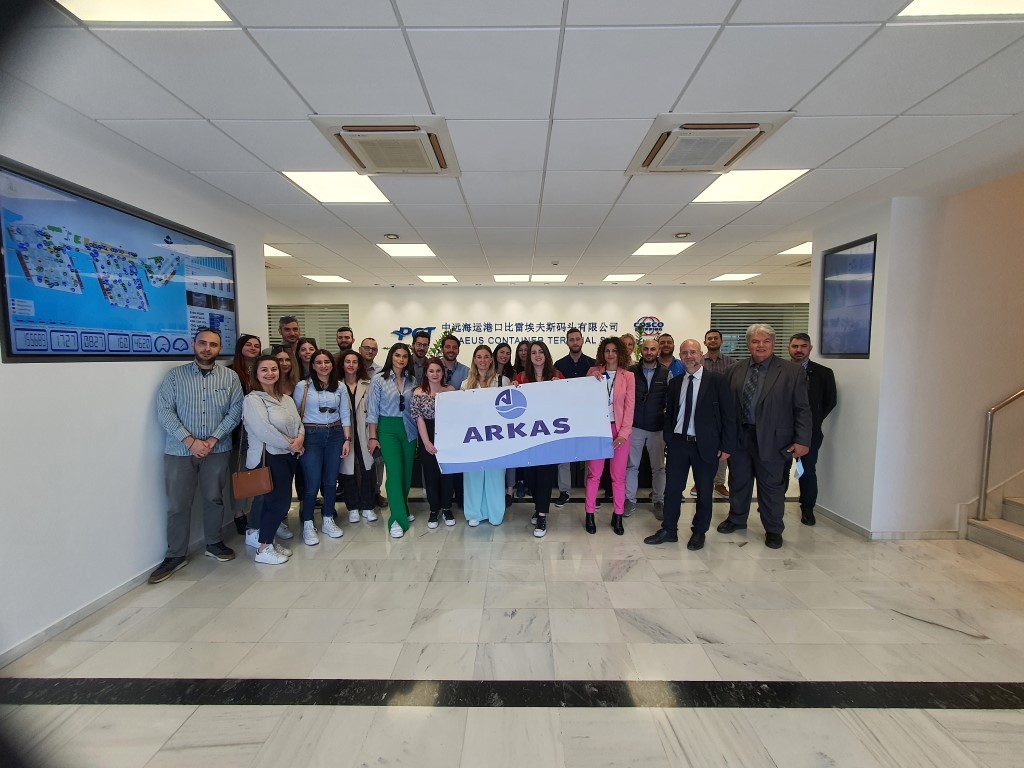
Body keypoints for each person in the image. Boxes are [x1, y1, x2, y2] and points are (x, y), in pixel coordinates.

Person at [150, 328, 243, 583]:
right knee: (178, 504)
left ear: (219, 348)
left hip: (217, 449)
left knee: (214, 498)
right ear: (194, 345)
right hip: (180, 451)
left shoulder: (230, 377)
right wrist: (189, 441)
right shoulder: (174, 377)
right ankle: (175, 554)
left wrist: (213, 439)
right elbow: (165, 411)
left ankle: (213, 543)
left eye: (213, 345)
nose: (207, 348)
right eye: (202, 343)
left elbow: (235, 411)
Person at [719, 323, 812, 549]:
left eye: (765, 341)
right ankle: (737, 518)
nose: (760, 345)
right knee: (738, 480)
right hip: (740, 437)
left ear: (773, 344)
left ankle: (773, 529)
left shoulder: (791, 371)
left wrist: (802, 440)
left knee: (771, 486)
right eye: (755, 341)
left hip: (774, 439)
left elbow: (802, 408)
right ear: (748, 345)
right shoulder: (734, 370)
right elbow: (726, 408)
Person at [645, 340, 736, 550]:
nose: (689, 356)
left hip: (705, 445)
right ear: (680, 355)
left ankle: (699, 532)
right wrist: (669, 437)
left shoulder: (717, 381)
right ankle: (669, 530)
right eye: (685, 353)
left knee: (704, 491)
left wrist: (727, 446)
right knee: (672, 490)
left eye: (693, 352)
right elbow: (669, 413)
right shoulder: (676, 382)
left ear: (701, 354)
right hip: (678, 444)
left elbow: (729, 416)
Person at [243, 356, 304, 565]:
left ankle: (268, 541)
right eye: (264, 370)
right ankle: (263, 549)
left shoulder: (285, 398)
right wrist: (291, 444)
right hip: (269, 456)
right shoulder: (253, 400)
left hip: (287, 456)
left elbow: (299, 423)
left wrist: (299, 439)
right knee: (275, 503)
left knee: (282, 502)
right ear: (256, 374)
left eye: (273, 369)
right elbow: (263, 430)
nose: (270, 373)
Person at [293, 350, 351, 545]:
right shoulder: (303, 386)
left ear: (332, 365)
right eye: (319, 362)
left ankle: (328, 519)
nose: (323, 366)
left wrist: (347, 439)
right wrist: (299, 438)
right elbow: (295, 415)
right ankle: (308, 523)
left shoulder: (340, 386)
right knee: (312, 483)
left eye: (327, 362)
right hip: (311, 435)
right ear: (313, 365)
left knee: (330, 481)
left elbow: (345, 414)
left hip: (335, 434)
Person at [584, 337, 635, 535]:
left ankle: (618, 515)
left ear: (620, 353)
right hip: (598, 430)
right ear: (602, 353)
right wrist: (591, 378)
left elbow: (630, 408)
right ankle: (589, 514)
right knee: (594, 475)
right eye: (607, 350)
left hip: (619, 431)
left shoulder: (628, 376)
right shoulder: (593, 372)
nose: (611, 354)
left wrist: (623, 434)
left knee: (618, 477)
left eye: (614, 350)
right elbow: (584, 398)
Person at [367, 343, 418, 538]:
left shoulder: (412, 380)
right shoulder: (379, 379)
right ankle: (396, 519)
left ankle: (402, 507)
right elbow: (372, 410)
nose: (401, 359)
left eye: (405, 356)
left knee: (406, 473)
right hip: (387, 429)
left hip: (409, 429)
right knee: (395, 472)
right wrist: (373, 436)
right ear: (391, 356)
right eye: (397, 355)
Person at [787, 333, 838, 526]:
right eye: (795, 346)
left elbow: (830, 401)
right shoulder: (780, 370)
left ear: (810, 348)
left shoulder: (824, 373)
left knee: (806, 470)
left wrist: (813, 420)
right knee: (779, 470)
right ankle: (774, 503)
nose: (799, 350)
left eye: (803, 346)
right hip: (783, 431)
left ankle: (807, 508)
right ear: (789, 348)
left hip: (810, 433)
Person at [515, 341, 564, 538]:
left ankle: (542, 516)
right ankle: (538, 506)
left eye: (540, 352)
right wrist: (512, 389)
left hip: (549, 436)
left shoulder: (557, 375)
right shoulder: (521, 377)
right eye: (533, 352)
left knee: (545, 475)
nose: (537, 355)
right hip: (528, 437)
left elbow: (567, 401)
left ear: (546, 354)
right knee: (531, 477)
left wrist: (561, 388)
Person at [461, 345, 512, 527]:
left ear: (491, 359)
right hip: (473, 437)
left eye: (486, 357)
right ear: (474, 360)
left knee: (495, 476)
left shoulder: (503, 381)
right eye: (479, 357)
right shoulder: (465, 384)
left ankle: (495, 513)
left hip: (496, 437)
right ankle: (474, 513)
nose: (482, 360)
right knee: (473, 476)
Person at [625, 338, 669, 519]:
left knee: (658, 467)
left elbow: (670, 400)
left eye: (653, 349)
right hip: (635, 426)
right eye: (646, 349)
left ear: (658, 352)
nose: (649, 352)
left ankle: (659, 500)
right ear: (640, 350)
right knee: (631, 466)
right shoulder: (631, 372)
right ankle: (629, 500)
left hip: (657, 428)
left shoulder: (666, 373)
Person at [553, 327, 596, 507]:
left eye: (577, 339)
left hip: (587, 417)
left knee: (589, 457)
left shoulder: (594, 364)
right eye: (571, 339)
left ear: (582, 340)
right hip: (565, 417)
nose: (575, 342)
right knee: (563, 457)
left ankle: (590, 491)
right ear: (566, 342)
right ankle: (564, 491)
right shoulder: (558, 365)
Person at [412, 357, 456, 529]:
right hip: (427, 435)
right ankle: (433, 510)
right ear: (426, 373)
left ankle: (447, 508)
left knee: (447, 474)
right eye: (431, 371)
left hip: (447, 436)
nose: (435, 374)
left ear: (443, 373)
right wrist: (426, 443)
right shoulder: (418, 392)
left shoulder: (450, 390)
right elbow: (419, 419)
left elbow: (455, 417)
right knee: (431, 476)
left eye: (438, 371)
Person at [695, 328, 737, 499]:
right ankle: (699, 481)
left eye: (715, 338)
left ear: (721, 341)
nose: (712, 341)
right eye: (709, 338)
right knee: (700, 447)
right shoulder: (698, 361)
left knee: (721, 448)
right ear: (705, 342)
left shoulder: (732, 363)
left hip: (721, 411)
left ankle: (719, 483)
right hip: (702, 410)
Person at [338, 350, 378, 524]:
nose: (351, 365)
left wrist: (373, 435)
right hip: (344, 433)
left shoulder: (368, 384)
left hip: (364, 431)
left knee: (367, 468)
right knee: (347, 470)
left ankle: (368, 506)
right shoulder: (336, 385)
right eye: (348, 361)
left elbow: (374, 410)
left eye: (354, 362)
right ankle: (353, 507)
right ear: (342, 364)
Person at [227, 333, 261, 534]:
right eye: (248, 345)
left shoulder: (262, 370)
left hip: (260, 432)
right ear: (240, 347)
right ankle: (239, 514)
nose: (253, 348)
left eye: (256, 345)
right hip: (239, 433)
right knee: (239, 473)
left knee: (259, 473)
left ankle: (257, 512)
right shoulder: (230, 372)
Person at [492, 342, 518, 505]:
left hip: (507, 420)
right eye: (502, 352)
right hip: (491, 423)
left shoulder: (512, 374)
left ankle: (510, 490)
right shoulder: (487, 371)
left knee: (510, 457)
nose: (504, 356)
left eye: (508, 353)